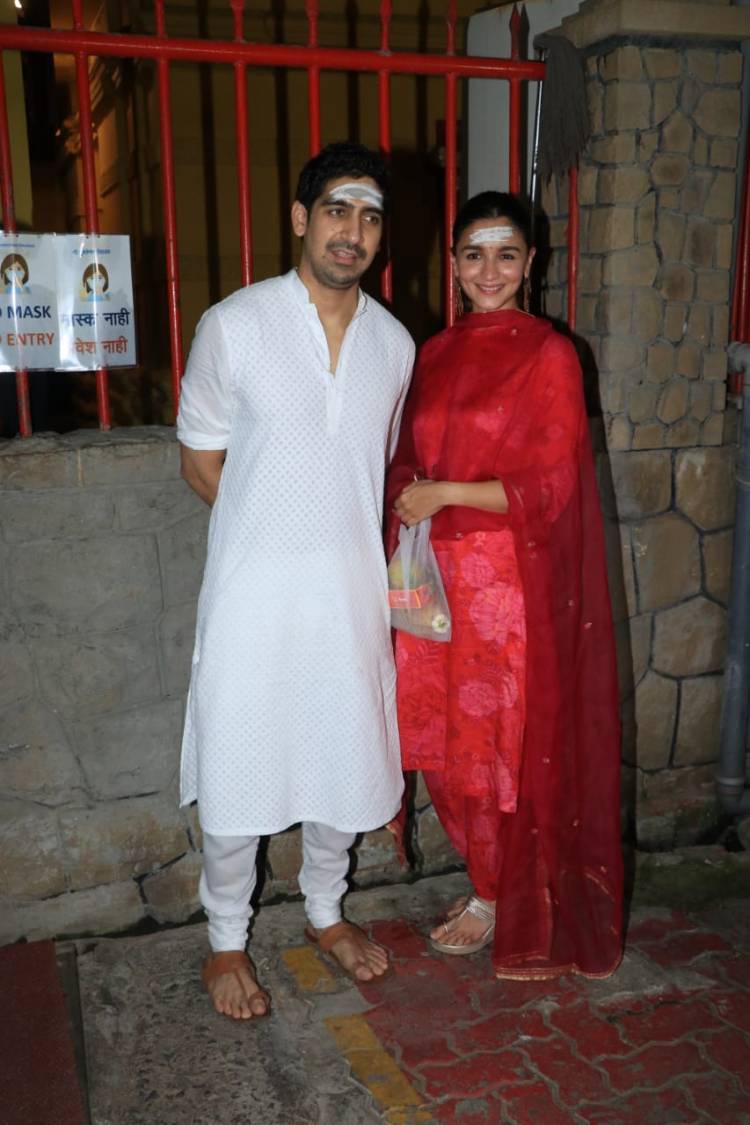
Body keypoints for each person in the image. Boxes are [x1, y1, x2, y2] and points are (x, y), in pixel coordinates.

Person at [178, 142, 415, 1020]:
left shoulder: (395, 345)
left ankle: (324, 911)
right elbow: (201, 461)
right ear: (301, 219)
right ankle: (226, 939)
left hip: (348, 596)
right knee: (239, 761)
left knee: (342, 751)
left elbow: (367, 468)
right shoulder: (233, 324)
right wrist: (270, 531)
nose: (353, 231)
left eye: (370, 216)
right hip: (251, 599)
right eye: (338, 211)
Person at [387, 191, 622, 979]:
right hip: (428, 582)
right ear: (453, 265)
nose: (490, 270)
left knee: (495, 754)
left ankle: (501, 894)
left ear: (532, 264)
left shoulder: (549, 354)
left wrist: (446, 492)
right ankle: (484, 879)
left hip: (502, 592)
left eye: (507, 254)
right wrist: (409, 495)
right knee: (441, 753)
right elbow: (404, 459)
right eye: (475, 254)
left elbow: (549, 488)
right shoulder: (433, 352)